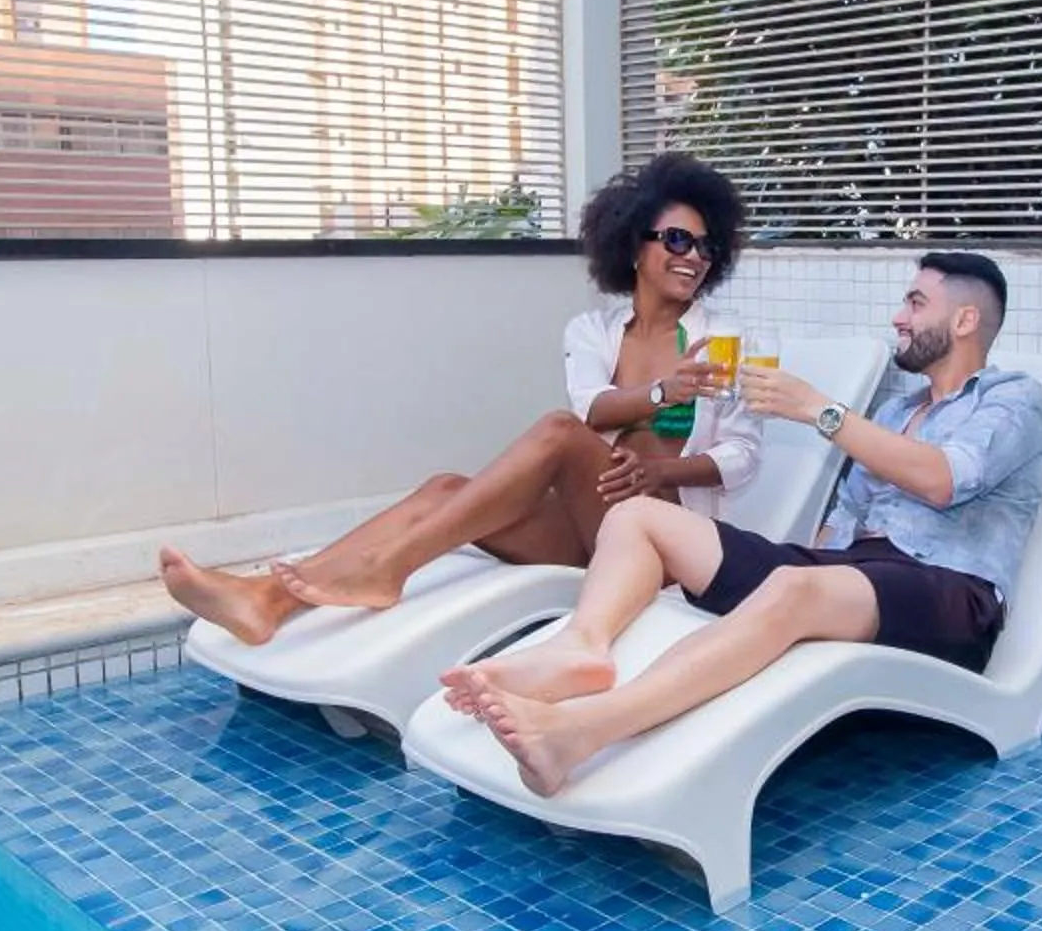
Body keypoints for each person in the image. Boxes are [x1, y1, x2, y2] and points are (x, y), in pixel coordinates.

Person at [443, 251, 1042, 796]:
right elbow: (843, 524)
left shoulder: (1013, 399)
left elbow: (943, 479)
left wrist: (819, 410)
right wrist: (793, 583)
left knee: (791, 586)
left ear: (965, 321)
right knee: (638, 516)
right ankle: (582, 648)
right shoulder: (897, 410)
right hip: (852, 576)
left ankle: (584, 730)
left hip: (950, 593)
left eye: (916, 303)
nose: (898, 317)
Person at [159, 153, 761, 645]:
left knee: (553, 432)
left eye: (707, 248)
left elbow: (743, 455)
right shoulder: (594, 332)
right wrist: (662, 391)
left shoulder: (726, 342)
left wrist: (661, 467)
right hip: (589, 528)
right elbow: (592, 410)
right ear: (634, 245)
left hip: (663, 545)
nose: (693, 257)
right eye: (678, 240)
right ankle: (267, 598)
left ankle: (384, 569)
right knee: (448, 488)